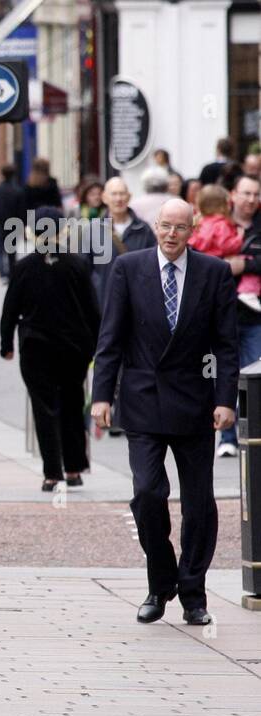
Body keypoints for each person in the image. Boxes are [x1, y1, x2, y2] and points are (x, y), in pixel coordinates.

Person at [91, 199, 238, 626]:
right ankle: (161, 582)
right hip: (142, 399)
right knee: (147, 493)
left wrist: (225, 400)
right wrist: (101, 396)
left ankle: (193, 593)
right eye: (164, 226)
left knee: (198, 505)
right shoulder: (128, 268)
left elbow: (226, 346)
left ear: (192, 230)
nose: (171, 235)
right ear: (154, 226)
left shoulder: (212, 273)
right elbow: (110, 338)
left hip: (195, 403)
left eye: (179, 227)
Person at [0, 208, 100, 491]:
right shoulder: (78, 265)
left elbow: (10, 308)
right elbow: (92, 310)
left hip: (36, 347)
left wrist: (6, 343)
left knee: (44, 408)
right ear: (63, 231)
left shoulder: (24, 267)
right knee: (71, 404)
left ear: (32, 233)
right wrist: (99, 345)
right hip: (73, 347)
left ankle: (51, 473)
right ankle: (73, 468)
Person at [218, 173, 261, 457]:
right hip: (221, 313)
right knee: (222, 374)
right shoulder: (218, 224)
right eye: (246, 193)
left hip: (254, 314)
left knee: (254, 372)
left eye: (256, 194)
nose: (251, 199)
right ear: (233, 194)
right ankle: (227, 437)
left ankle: (253, 432)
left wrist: (243, 266)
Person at [93, 176, 156, 312]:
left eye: (122, 193)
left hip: (137, 305)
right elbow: (84, 268)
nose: (118, 199)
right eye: (114, 194)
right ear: (104, 198)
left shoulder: (143, 229)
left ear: (129, 196)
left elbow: (154, 265)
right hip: (103, 305)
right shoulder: (92, 230)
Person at [187, 184, 249, 306]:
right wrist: (239, 238)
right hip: (218, 264)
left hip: (200, 265)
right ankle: (248, 292)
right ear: (223, 204)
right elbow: (226, 246)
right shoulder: (221, 224)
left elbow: (193, 242)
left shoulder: (199, 221)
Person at [0, 163, 28, 285]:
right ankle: (11, 273)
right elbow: (22, 210)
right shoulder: (18, 191)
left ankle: (2, 274)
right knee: (11, 251)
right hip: (13, 223)